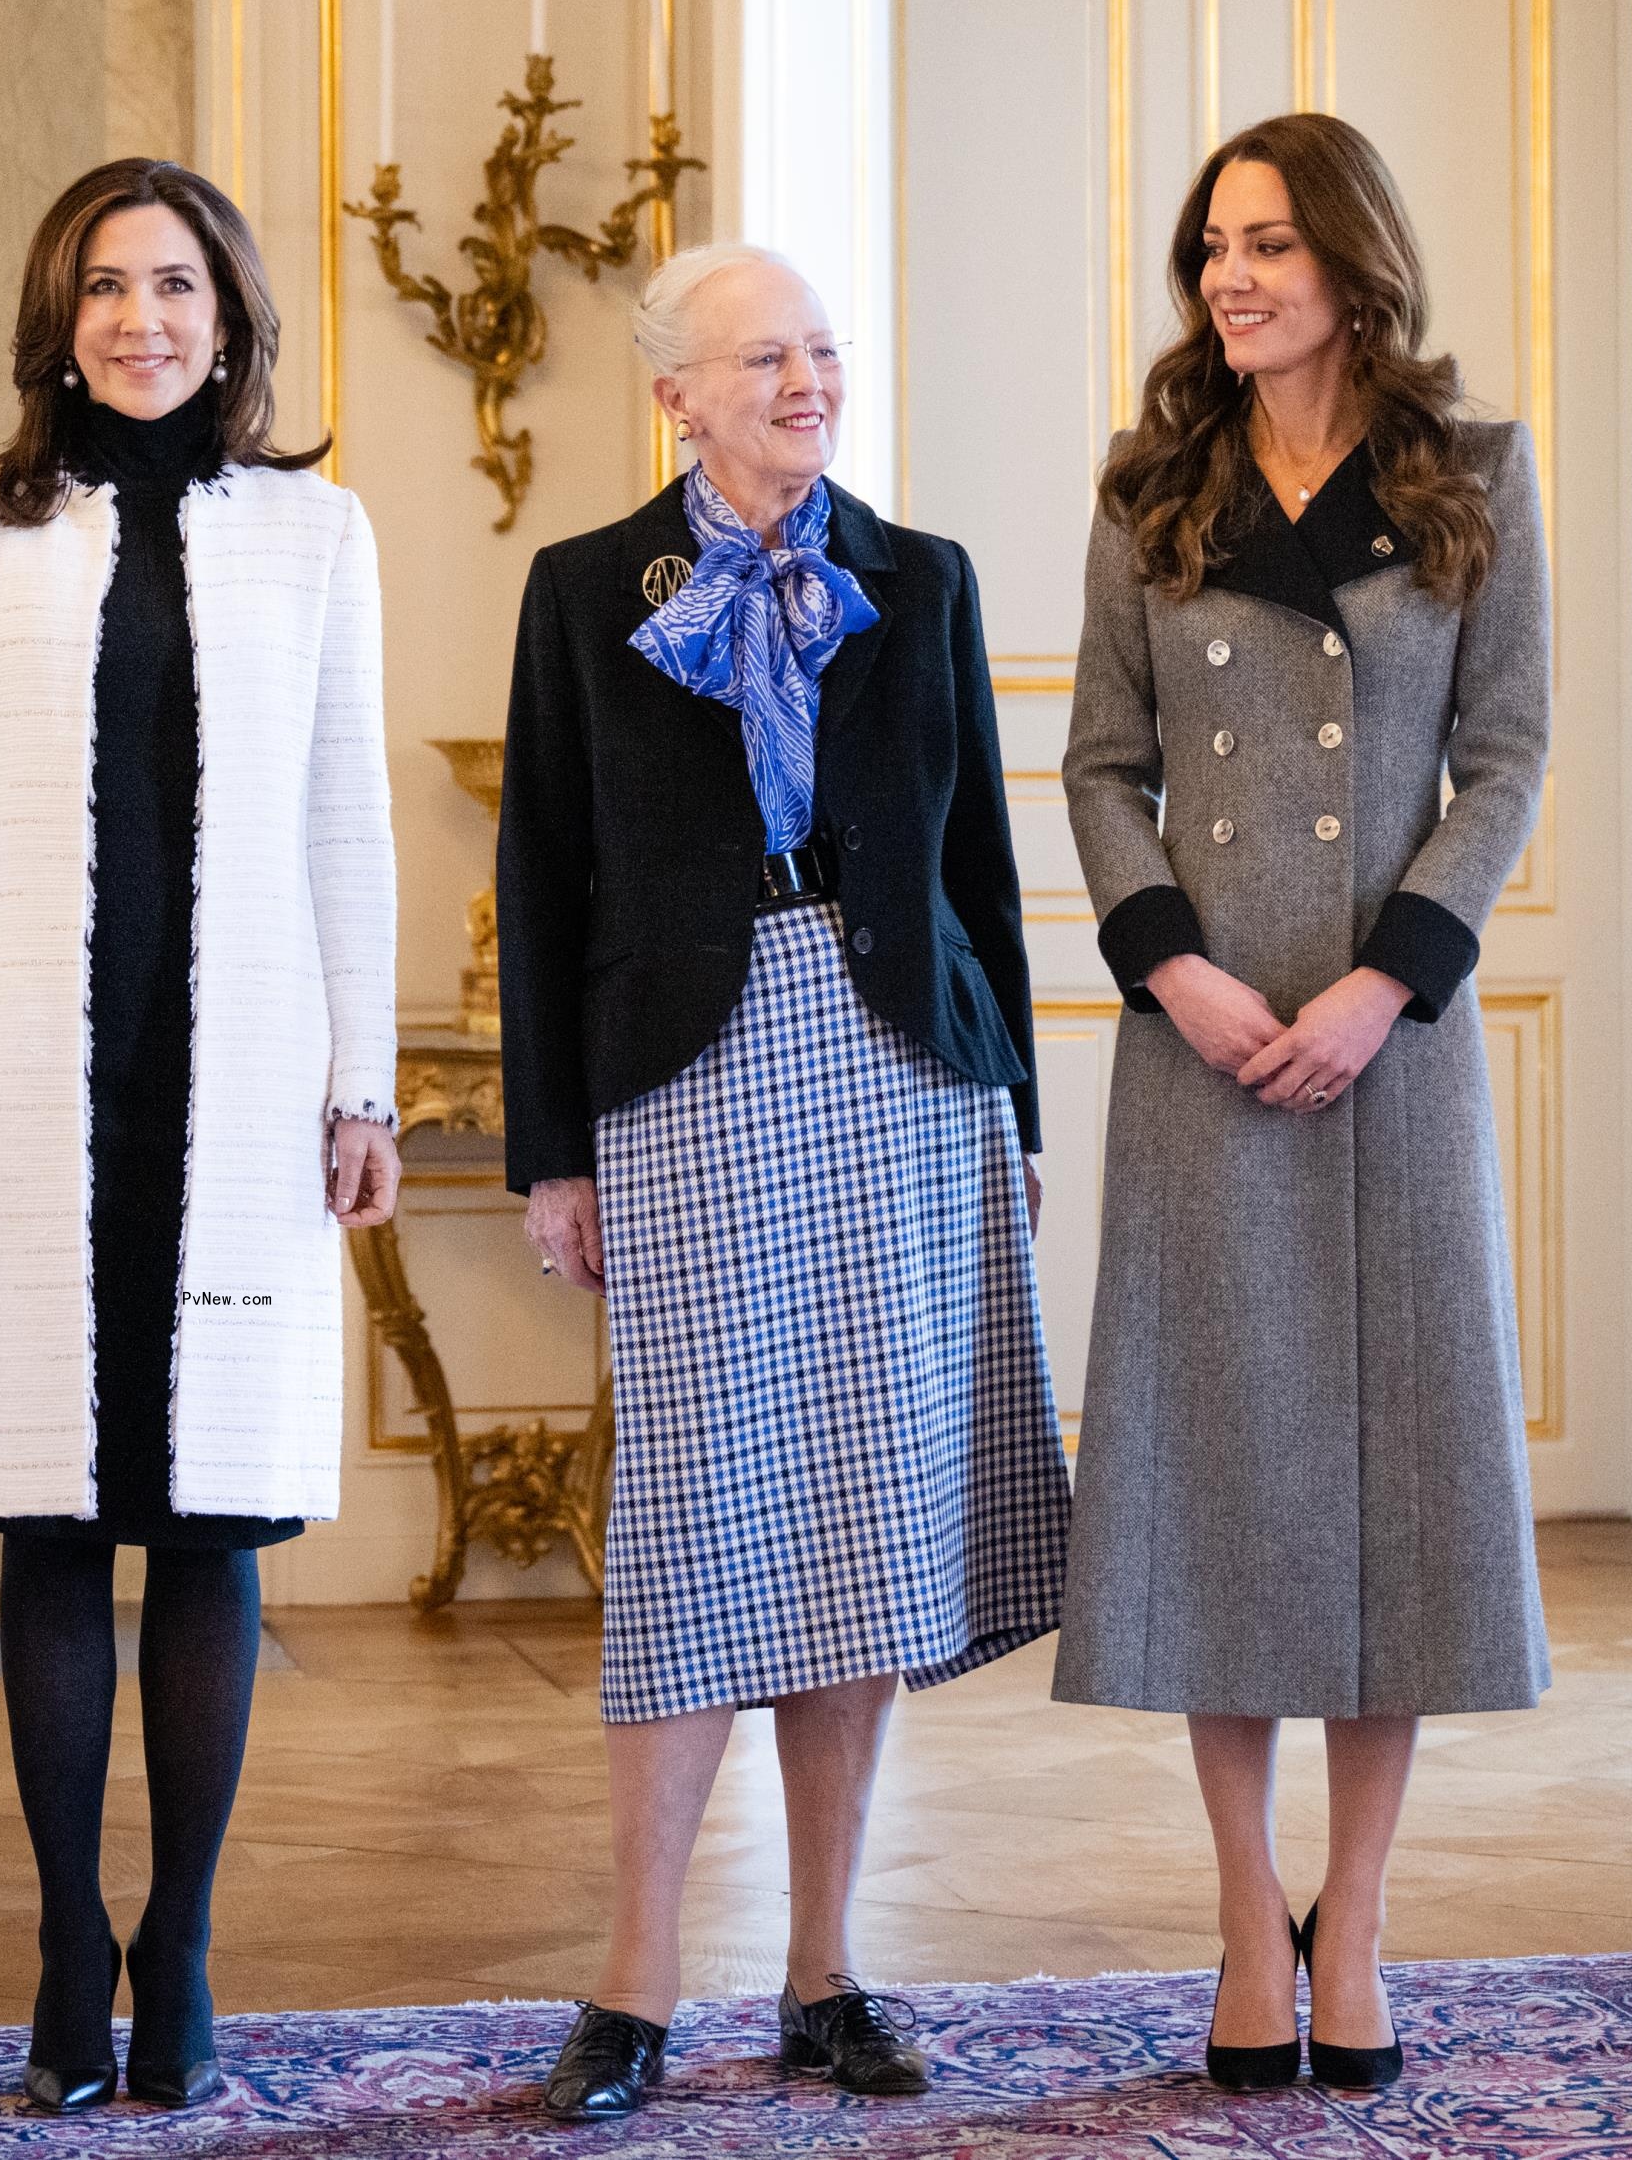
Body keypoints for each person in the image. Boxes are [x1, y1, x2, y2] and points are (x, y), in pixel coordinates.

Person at [497, 241, 1070, 2121]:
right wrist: (552, 1151)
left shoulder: (925, 581)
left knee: (860, 1517)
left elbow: (980, 860)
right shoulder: (588, 595)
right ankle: (635, 1982)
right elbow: (544, 886)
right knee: (688, 1521)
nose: (806, 381)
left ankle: (827, 1973)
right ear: (676, 393)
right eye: (765, 358)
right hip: (684, 1082)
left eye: (822, 350)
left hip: (904, 1071)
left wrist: (1022, 1109)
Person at [0, 158, 400, 2111]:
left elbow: (351, 819)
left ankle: (179, 1943)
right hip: (23, 1082)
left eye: (176, 284)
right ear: (55, 316)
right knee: (53, 1519)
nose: (140, 318)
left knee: (212, 1524)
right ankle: (65, 1942)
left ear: (231, 318)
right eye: (104, 285)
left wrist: (361, 1087)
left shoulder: (313, 532)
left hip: (239, 1083)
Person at [1056, 114, 1551, 2092]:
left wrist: (1386, 980)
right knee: (1223, 1483)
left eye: (1266, 243)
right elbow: (1101, 768)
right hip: (1200, 1050)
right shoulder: (1147, 494)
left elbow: (1503, 763)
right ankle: (1242, 1918)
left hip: (1393, 1058)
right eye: (1208, 250)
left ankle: (1359, 1920)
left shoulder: (1479, 482)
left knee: (1392, 1500)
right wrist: (1176, 967)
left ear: (1355, 259)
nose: (1229, 278)